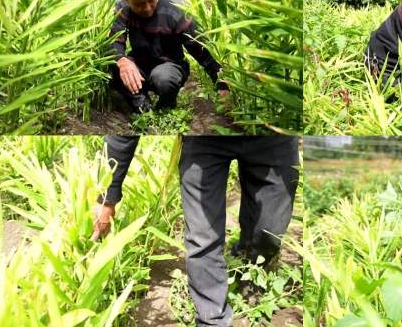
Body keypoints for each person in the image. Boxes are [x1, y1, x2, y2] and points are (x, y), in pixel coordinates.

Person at [90, 135, 299, 326]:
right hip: (205, 142)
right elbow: (125, 130)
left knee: (268, 232)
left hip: (272, 138)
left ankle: (249, 266)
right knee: (203, 239)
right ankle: (211, 319)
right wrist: (107, 195)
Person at [109, 0, 229, 112]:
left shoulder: (176, 14)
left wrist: (222, 84)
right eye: (139, 4)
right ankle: (140, 101)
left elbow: (201, 51)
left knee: (163, 78)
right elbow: (115, 40)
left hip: (170, 67)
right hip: (140, 65)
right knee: (113, 65)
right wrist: (122, 61)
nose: (147, 8)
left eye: (151, 0)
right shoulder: (123, 9)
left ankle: (167, 103)